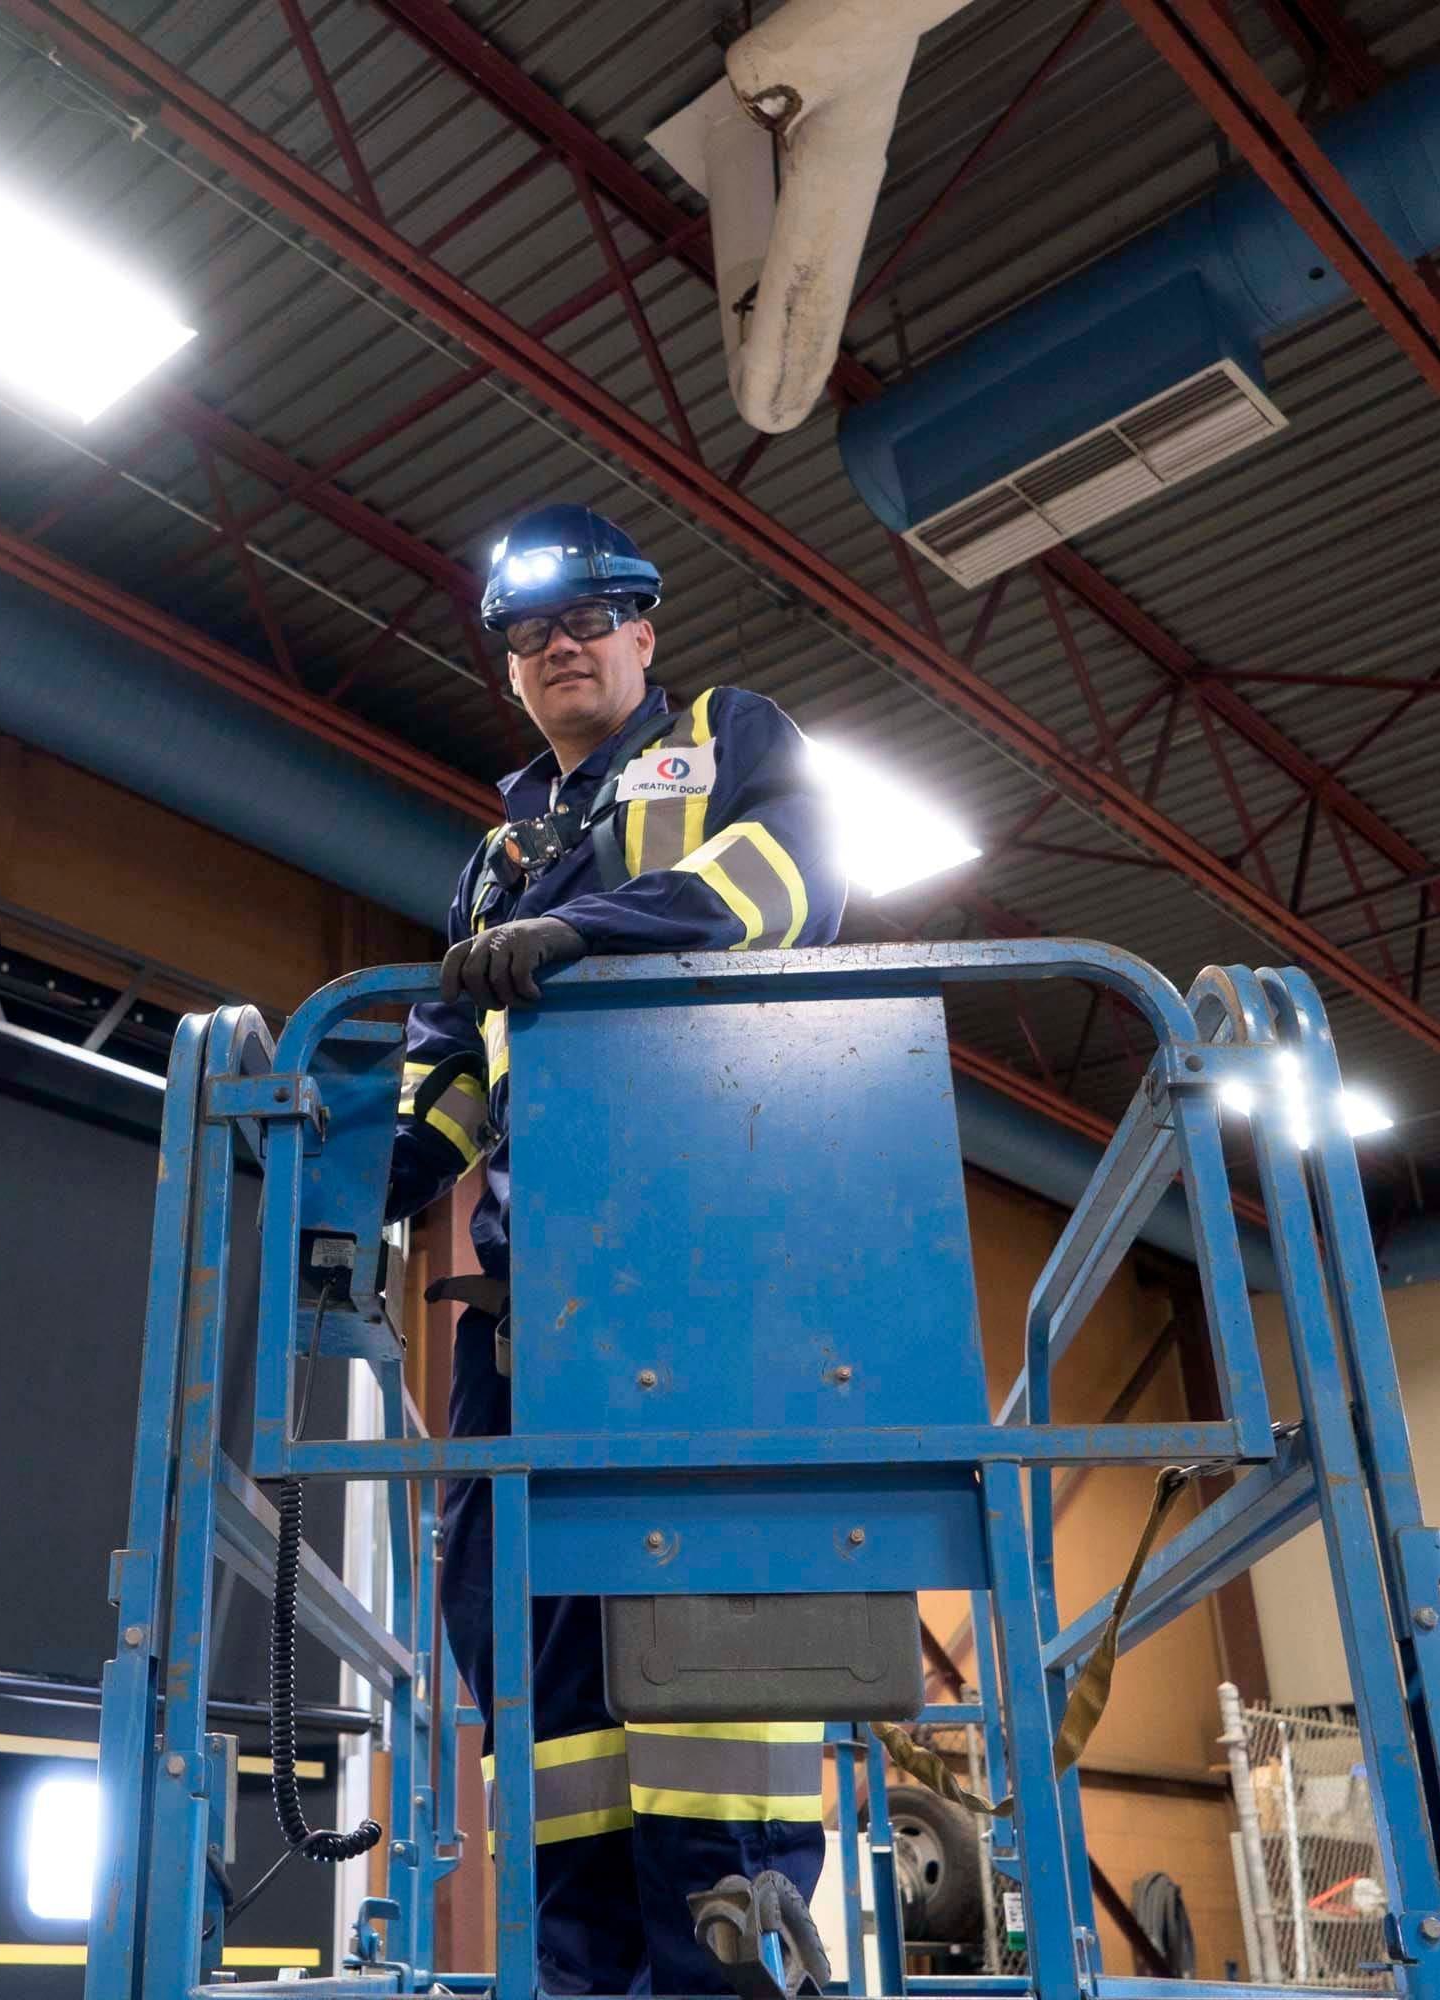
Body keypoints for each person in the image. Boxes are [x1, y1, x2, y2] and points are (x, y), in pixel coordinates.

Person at [383, 502, 849, 1996]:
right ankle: (577, 1960)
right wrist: (363, 1186)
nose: (557, 647)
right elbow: (449, 1052)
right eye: (526, 633)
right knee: (518, 1619)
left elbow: (791, 882)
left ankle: (729, 1940)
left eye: (586, 618)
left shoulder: (724, 738)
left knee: (708, 1609)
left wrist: (595, 928)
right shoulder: (499, 846)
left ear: (643, 629)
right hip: (537, 1292)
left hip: (708, 1257)